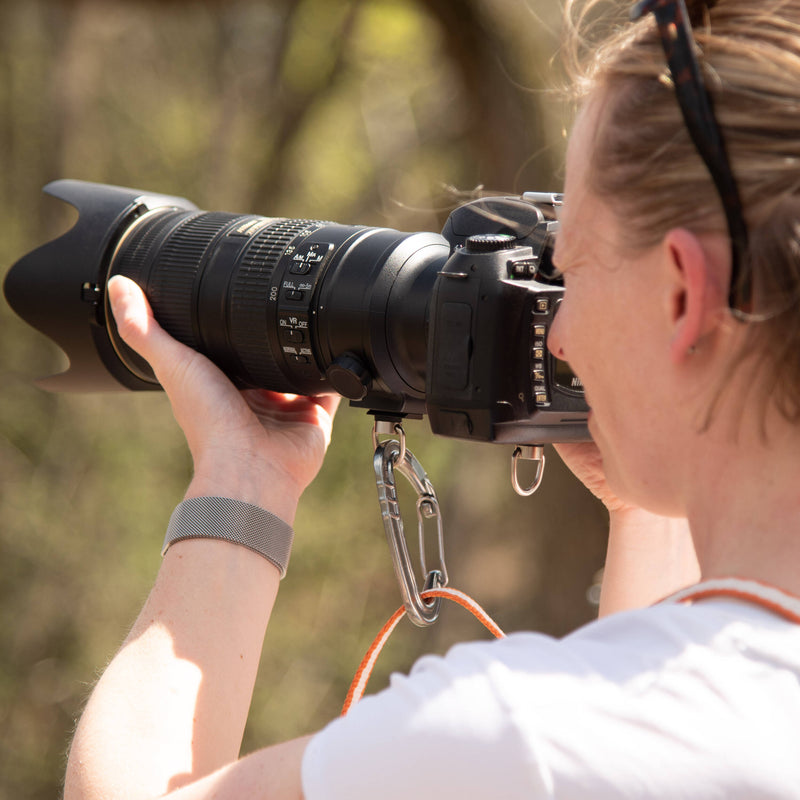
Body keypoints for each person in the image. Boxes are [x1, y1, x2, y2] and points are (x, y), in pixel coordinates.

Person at [63, 0, 800, 797]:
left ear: (684, 296)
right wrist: (655, 464)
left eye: (572, 268)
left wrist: (243, 478)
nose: (558, 336)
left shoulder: (518, 737)